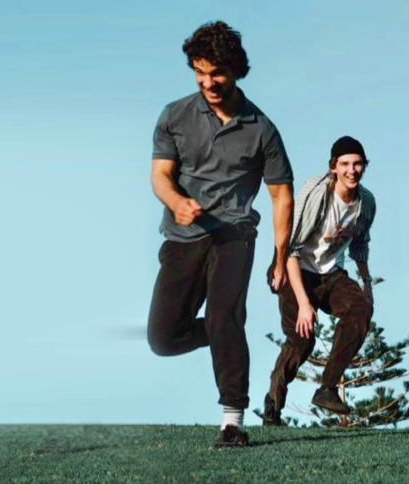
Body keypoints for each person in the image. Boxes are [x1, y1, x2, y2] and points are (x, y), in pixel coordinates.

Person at [146, 21, 294, 448]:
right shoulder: (175, 116)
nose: (208, 82)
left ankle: (233, 421)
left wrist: (280, 257)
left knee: (224, 316)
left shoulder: (262, 129)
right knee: (163, 339)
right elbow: (160, 176)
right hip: (183, 236)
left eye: (217, 73)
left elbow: (281, 196)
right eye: (200, 72)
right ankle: (224, 329)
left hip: (234, 234)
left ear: (236, 71)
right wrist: (177, 202)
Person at [263, 136, 376, 426]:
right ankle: (273, 406)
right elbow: (291, 248)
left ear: (364, 166)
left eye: (358, 164)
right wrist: (304, 303)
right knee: (302, 341)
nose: (352, 170)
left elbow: (360, 244)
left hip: (330, 274)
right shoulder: (317, 194)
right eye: (345, 164)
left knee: (361, 308)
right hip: (294, 269)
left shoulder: (366, 202)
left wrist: (367, 284)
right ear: (334, 167)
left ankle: (327, 388)